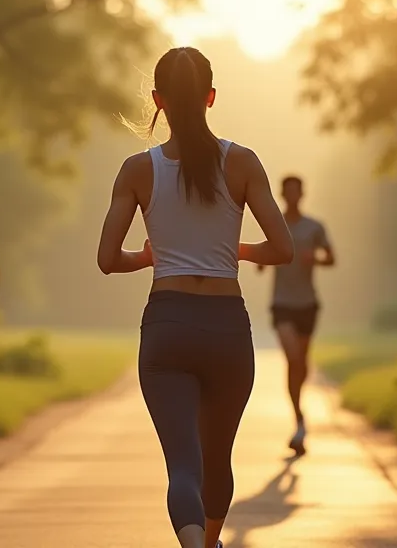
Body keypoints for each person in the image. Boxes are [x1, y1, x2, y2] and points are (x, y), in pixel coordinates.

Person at [97, 46, 294, 548]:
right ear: (211, 97)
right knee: (217, 457)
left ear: (158, 100)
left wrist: (149, 256)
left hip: (169, 325)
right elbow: (282, 248)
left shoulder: (137, 169)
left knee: (183, 463)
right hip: (228, 326)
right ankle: (207, 543)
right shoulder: (243, 162)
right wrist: (236, 249)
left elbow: (107, 257)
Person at [256, 175, 335, 457]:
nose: (291, 196)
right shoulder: (275, 225)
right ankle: (299, 419)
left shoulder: (314, 227)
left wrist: (315, 258)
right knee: (294, 359)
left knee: (301, 364)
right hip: (282, 303)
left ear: (302, 194)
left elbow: (331, 257)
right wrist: (263, 261)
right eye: (287, 192)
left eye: (296, 192)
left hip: (307, 304)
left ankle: (299, 418)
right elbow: (263, 257)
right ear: (282, 195)